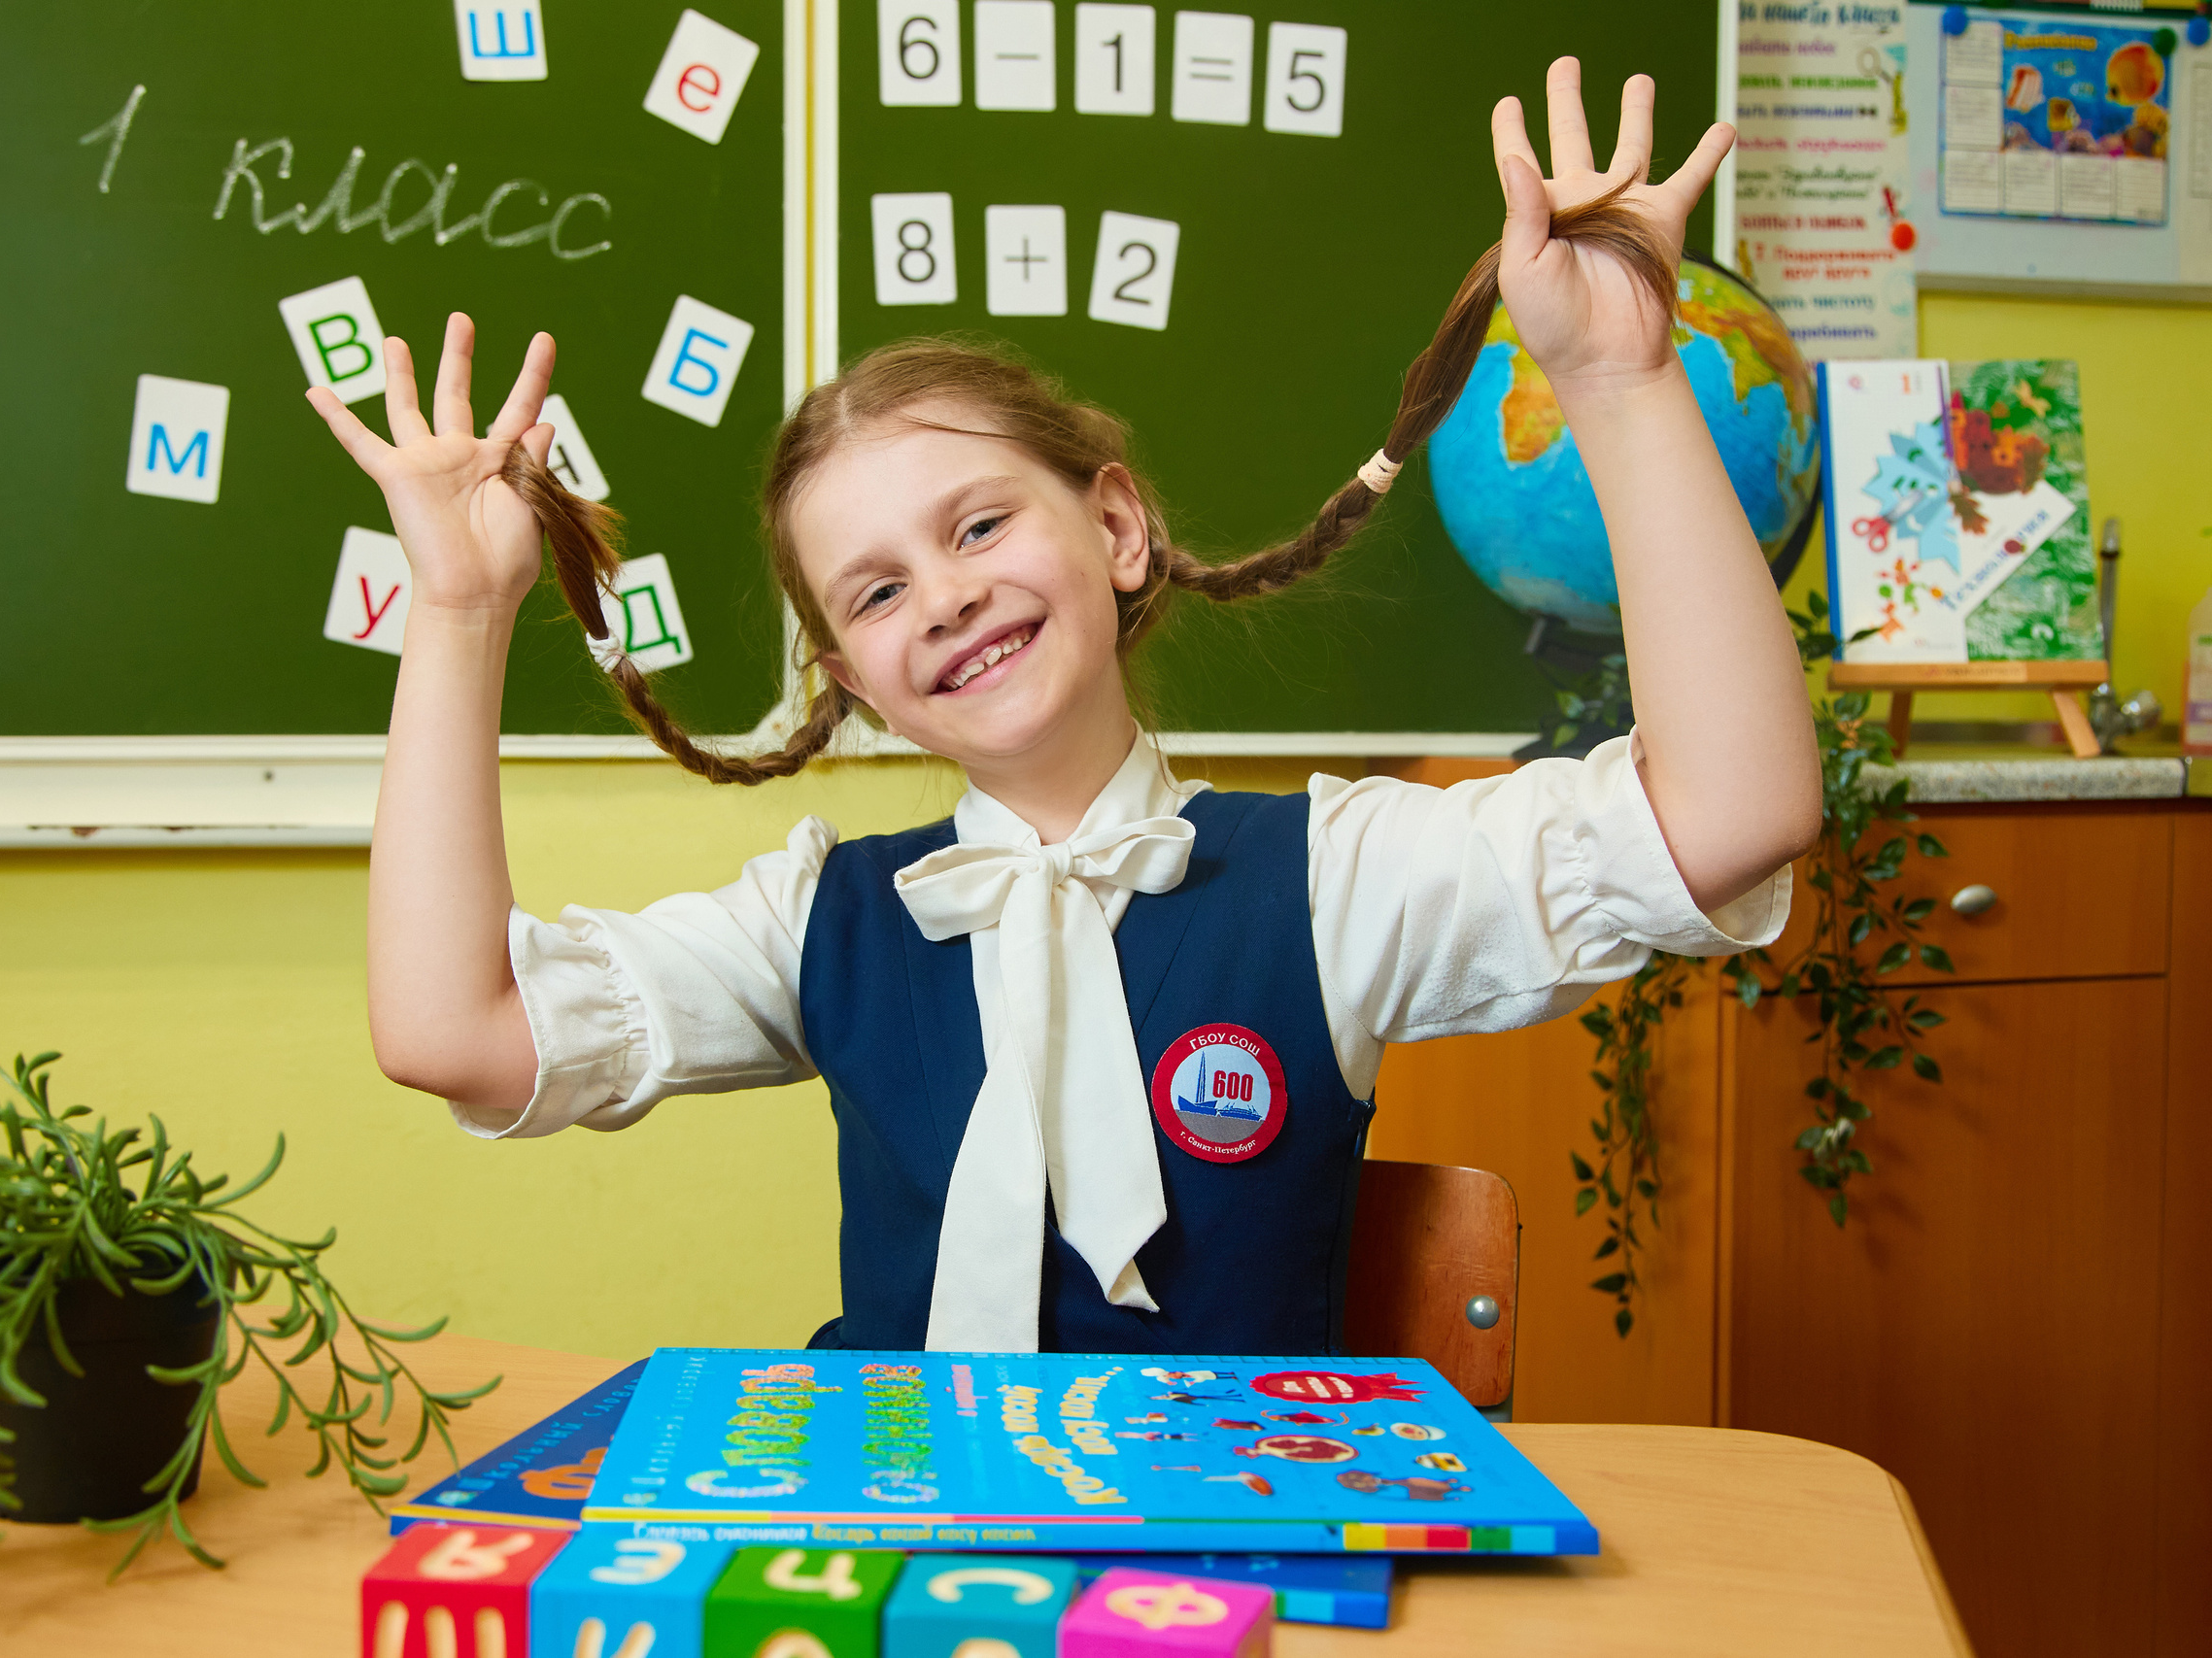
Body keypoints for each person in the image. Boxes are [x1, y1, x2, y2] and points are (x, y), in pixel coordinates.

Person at [304, 61, 1817, 1355]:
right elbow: (458, 1031)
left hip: (1224, 1570)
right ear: (850, 681)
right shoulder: (822, 919)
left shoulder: (1333, 881)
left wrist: (1618, 382)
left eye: (978, 527)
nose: (945, 597)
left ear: (1117, 529)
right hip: (899, 1562)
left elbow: (1731, 818)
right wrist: (454, 611)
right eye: (877, 592)